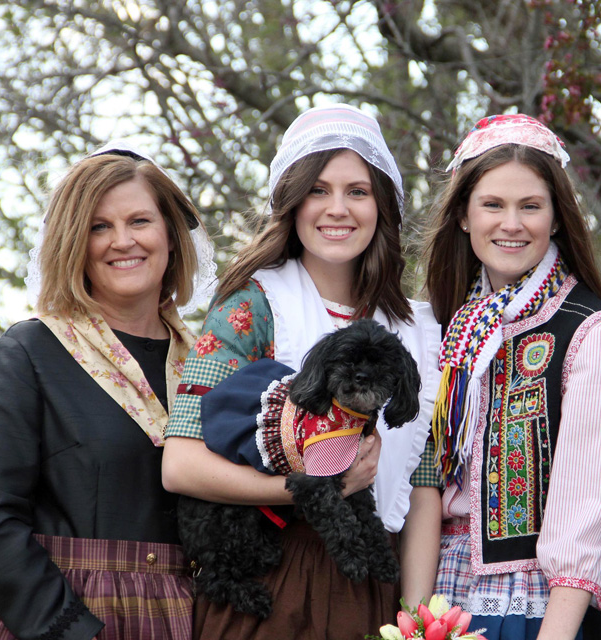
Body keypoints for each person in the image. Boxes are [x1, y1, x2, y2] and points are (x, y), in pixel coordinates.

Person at [160, 103, 442, 640]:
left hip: (375, 588)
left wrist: (418, 619)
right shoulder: (254, 304)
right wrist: (313, 489)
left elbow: (422, 485)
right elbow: (181, 463)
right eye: (318, 189)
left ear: (383, 205)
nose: (337, 208)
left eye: (357, 191)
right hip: (275, 581)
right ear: (292, 201)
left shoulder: (418, 329)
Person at [0, 141, 216, 640]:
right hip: (55, 618)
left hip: (186, 619)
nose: (122, 241)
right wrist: (72, 631)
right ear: (74, 242)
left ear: (169, 235)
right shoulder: (31, 351)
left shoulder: (212, 361)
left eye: (139, 221)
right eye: (99, 226)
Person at [420, 113, 601, 640]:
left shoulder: (591, 333)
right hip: (444, 597)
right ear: (464, 217)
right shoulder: (449, 329)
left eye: (530, 206)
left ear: (557, 218)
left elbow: (587, 511)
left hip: (538, 609)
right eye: (492, 204)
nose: (510, 224)